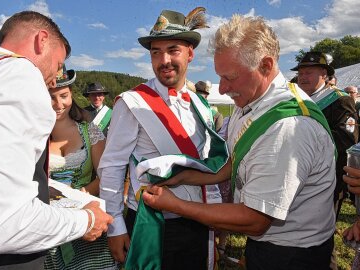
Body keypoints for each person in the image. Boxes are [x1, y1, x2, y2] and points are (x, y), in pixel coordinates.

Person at [142, 14, 336, 269]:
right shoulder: (254, 102)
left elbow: (255, 219)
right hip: (271, 245)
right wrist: (184, 177)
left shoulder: (286, 128)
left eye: (230, 77)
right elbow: (237, 162)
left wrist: (176, 204)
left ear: (266, 65)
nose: (221, 89)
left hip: (292, 255)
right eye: (220, 77)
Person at [0, 11, 112, 270]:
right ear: (42, 40)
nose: (55, 76)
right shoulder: (18, 74)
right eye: (58, 62)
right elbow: (0, 226)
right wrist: (86, 221)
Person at [98, 7, 222, 270]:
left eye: (173, 50)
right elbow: (112, 166)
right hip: (151, 224)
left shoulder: (200, 105)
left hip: (196, 222)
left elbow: (206, 165)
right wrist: (115, 226)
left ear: (190, 53)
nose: (163, 60)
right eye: (156, 52)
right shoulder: (132, 102)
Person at [44, 66, 118, 270]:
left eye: (64, 96)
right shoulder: (34, 134)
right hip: (49, 223)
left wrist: (82, 194)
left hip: (88, 218)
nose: (59, 104)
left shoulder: (89, 130)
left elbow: (105, 176)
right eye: (51, 97)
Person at [293, 51, 359, 217]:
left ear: (324, 74)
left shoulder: (339, 100)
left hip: (326, 177)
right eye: (300, 73)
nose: (302, 77)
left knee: (321, 225)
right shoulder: (294, 100)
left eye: (308, 73)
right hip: (296, 172)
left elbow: (346, 141)